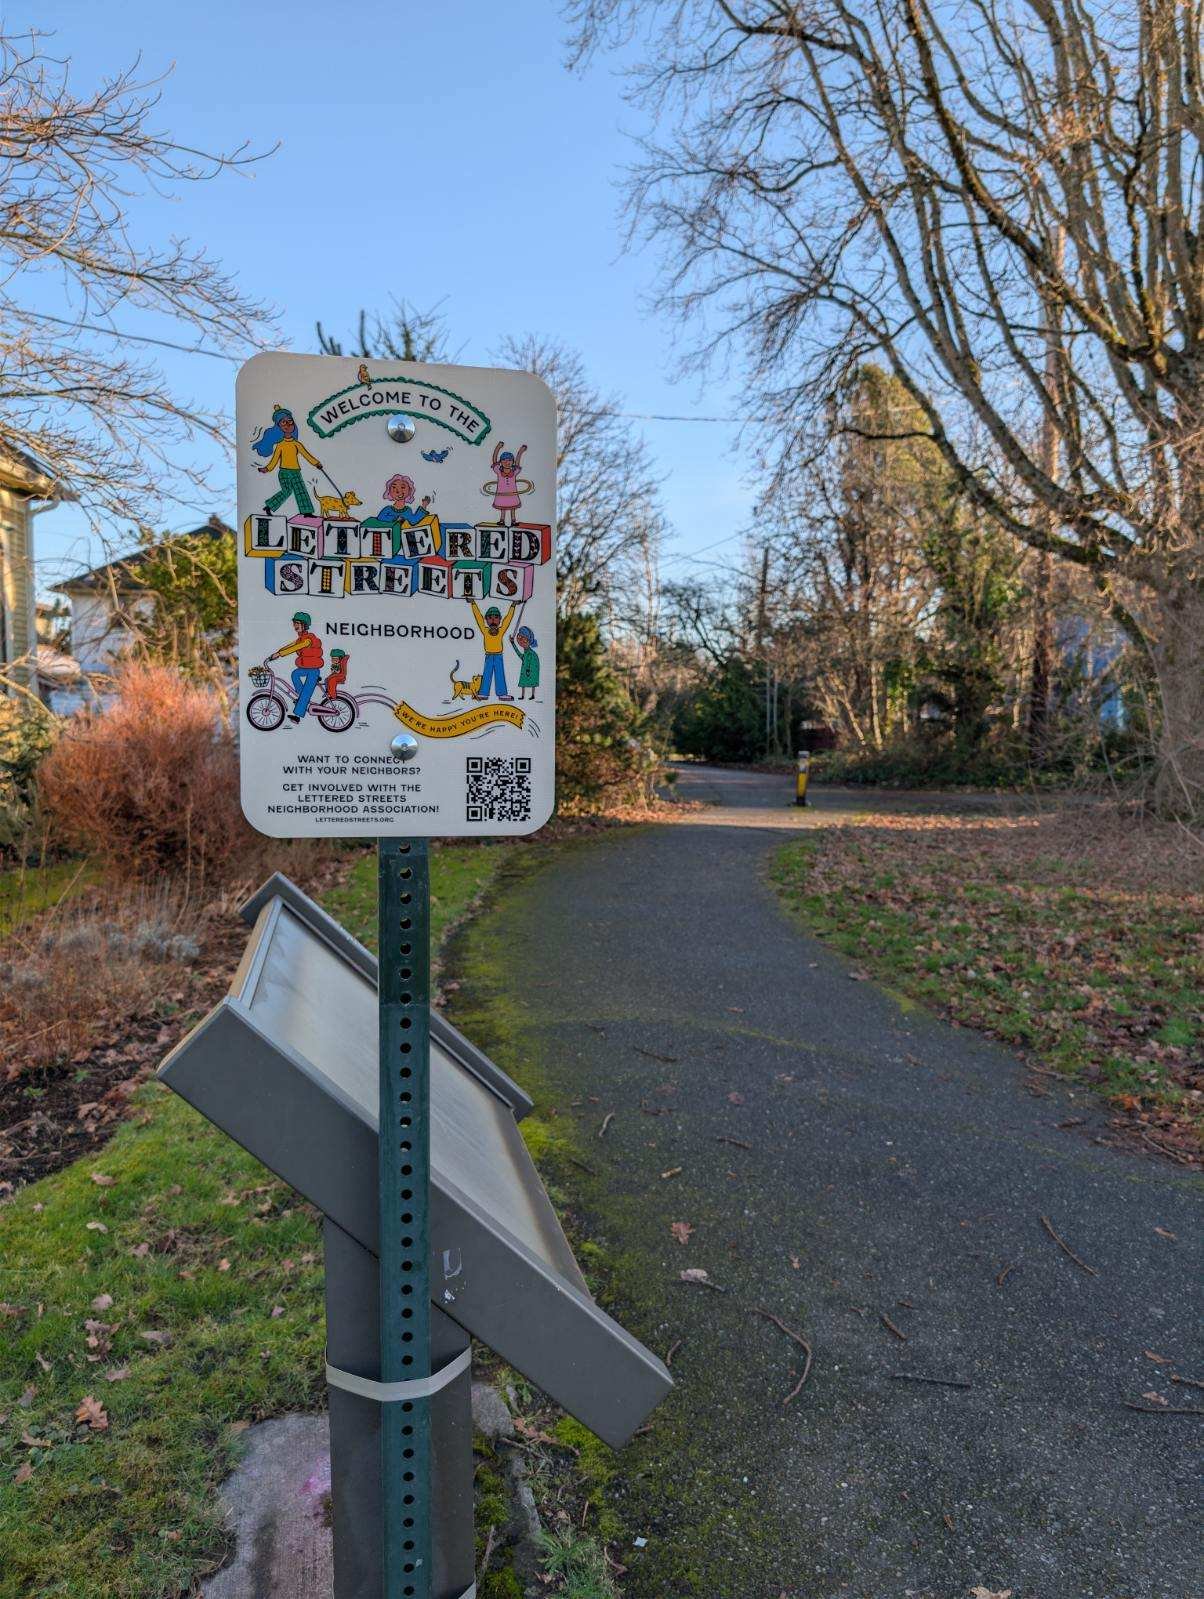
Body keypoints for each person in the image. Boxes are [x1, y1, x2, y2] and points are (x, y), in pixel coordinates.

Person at [254, 405, 323, 517]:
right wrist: (267, 469)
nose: (288, 425)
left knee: (301, 490)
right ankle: (269, 506)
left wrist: (316, 463)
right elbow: (275, 460)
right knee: (287, 491)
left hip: (295, 471)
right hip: (284, 472)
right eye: (283, 423)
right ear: (279, 426)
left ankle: (307, 512)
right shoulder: (280, 445)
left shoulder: (296, 444)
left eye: (290, 422)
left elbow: (306, 455)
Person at [268, 611, 324, 723]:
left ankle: (297, 715)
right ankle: (303, 700)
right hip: (305, 668)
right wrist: (278, 652)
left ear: (305, 625)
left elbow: (296, 647)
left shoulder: (308, 639)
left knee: (306, 693)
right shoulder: (300, 638)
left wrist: (279, 654)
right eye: (294, 623)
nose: (295, 626)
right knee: (295, 674)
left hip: (313, 671)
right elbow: (291, 645)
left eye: (298, 623)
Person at [468, 600, 515, 700]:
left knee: (500, 674)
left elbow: (508, 620)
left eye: (496, 617)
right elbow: (479, 618)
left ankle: (502, 694)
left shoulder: (501, 630)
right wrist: (473, 604)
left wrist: (513, 606)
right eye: (490, 617)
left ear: (499, 619)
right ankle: (483, 693)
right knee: (486, 674)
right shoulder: (485, 631)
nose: (493, 620)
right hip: (489, 655)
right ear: (487, 620)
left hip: (498, 656)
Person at [482, 441, 533, 527]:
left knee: (513, 507)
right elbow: (494, 461)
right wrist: (498, 447)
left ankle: (513, 520)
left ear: (512, 462)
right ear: (501, 462)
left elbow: (517, 463)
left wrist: (521, 451)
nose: (507, 462)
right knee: (503, 507)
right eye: (504, 460)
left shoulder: (514, 472)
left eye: (509, 460)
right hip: (502, 494)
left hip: (512, 494)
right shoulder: (498, 471)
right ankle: (502, 520)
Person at [509, 625, 540, 699]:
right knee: (523, 681)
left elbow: (532, 662)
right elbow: (519, 654)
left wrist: (528, 669)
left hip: (531, 669)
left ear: (529, 641)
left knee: (532, 680)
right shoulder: (525, 653)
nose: (521, 641)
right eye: (519, 638)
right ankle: (523, 695)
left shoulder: (531, 653)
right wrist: (513, 643)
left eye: (524, 639)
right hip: (525, 669)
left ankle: (532, 695)